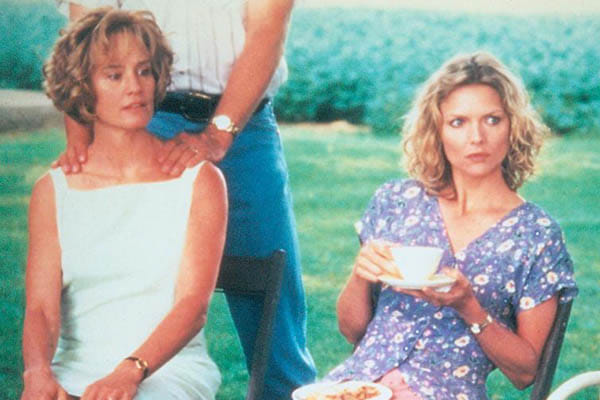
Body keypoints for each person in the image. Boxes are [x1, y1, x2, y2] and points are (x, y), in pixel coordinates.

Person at [54, 1, 317, 398]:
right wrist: (81, 145)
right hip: (143, 116)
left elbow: (266, 32)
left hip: (246, 127)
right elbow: (85, 38)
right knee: (127, 293)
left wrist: (218, 134)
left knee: (272, 306)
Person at [324, 52, 578, 399]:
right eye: (458, 122)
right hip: (356, 387)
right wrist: (360, 275)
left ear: (514, 127)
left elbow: (525, 372)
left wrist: (468, 307)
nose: (477, 137)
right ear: (437, 131)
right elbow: (352, 331)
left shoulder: (536, 234)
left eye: (492, 120)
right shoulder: (396, 202)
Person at [21, 8, 227, 399]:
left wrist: (129, 373)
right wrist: (37, 373)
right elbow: (41, 310)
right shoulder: (52, 191)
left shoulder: (199, 182)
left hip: (169, 371)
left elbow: (192, 307)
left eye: (145, 71)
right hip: (75, 369)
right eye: (114, 75)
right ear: (82, 87)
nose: (135, 86)